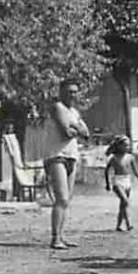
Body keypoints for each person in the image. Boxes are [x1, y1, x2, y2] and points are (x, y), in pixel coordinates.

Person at [45, 78, 91, 250]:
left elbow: (85, 133)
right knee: (61, 198)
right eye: (69, 91)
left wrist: (75, 127)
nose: (72, 95)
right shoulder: (58, 107)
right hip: (57, 155)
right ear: (61, 91)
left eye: (74, 91)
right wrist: (74, 128)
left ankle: (61, 235)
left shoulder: (74, 112)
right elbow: (65, 133)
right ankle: (55, 238)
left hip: (71, 155)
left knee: (67, 200)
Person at [104, 136, 138, 232]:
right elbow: (107, 170)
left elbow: (136, 171)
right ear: (119, 146)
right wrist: (108, 184)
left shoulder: (130, 157)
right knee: (125, 201)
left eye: (128, 145)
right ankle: (129, 224)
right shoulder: (114, 158)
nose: (127, 147)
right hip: (117, 181)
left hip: (127, 180)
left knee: (123, 205)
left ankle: (119, 225)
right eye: (125, 145)